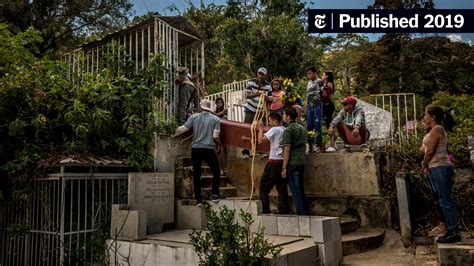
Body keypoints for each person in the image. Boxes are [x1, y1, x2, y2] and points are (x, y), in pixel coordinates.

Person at [421, 105, 460, 243]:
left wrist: (424, 164)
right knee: (441, 200)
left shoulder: (437, 129)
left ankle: (453, 231)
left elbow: (430, 151)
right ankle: (449, 229)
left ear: (433, 117)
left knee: (445, 200)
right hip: (436, 168)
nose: (424, 117)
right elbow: (424, 149)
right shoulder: (433, 130)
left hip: (440, 168)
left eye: (426, 115)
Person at [173, 99, 222, 206]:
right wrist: (219, 144)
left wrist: (172, 132)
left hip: (196, 149)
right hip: (208, 149)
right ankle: (215, 194)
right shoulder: (216, 119)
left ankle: (198, 200)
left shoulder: (194, 117)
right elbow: (215, 136)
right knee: (216, 171)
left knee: (197, 174)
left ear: (201, 107)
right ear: (210, 109)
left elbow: (183, 128)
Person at [258, 112, 290, 214]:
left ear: (275, 120)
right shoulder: (285, 130)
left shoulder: (274, 130)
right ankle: (284, 210)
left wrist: (260, 128)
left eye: (270, 121)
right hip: (283, 161)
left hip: (273, 162)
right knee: (282, 187)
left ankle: (265, 209)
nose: (269, 123)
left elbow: (261, 140)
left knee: (263, 187)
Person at [282, 107, 308, 215]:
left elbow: (287, 148)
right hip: (301, 160)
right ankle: (306, 210)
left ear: (288, 116)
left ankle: (301, 213)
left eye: (284, 115)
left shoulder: (288, 130)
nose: (283, 116)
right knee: (301, 188)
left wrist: (284, 167)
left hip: (292, 161)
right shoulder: (302, 128)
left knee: (295, 190)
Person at [242, 67, 271, 159]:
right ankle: (246, 152)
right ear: (257, 74)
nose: (260, 76)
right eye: (259, 73)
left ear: (265, 76)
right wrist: (257, 94)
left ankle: (261, 151)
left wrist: (265, 97)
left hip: (261, 110)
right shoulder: (251, 82)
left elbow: (270, 99)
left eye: (262, 74)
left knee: (261, 130)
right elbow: (246, 95)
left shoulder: (268, 86)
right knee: (247, 129)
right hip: (250, 109)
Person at [305, 66, 323, 153]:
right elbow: (307, 95)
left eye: (310, 73)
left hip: (317, 106)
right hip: (309, 106)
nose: (308, 75)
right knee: (309, 125)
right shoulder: (308, 82)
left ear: (315, 73)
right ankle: (310, 145)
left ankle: (317, 145)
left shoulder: (319, 81)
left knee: (317, 125)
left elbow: (322, 93)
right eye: (307, 74)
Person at [215, 97, 228, 176]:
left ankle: (224, 168)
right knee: (218, 150)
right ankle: (220, 168)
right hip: (217, 131)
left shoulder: (225, 110)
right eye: (218, 102)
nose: (219, 104)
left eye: (221, 102)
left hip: (224, 130)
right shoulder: (214, 111)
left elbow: (218, 115)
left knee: (224, 150)